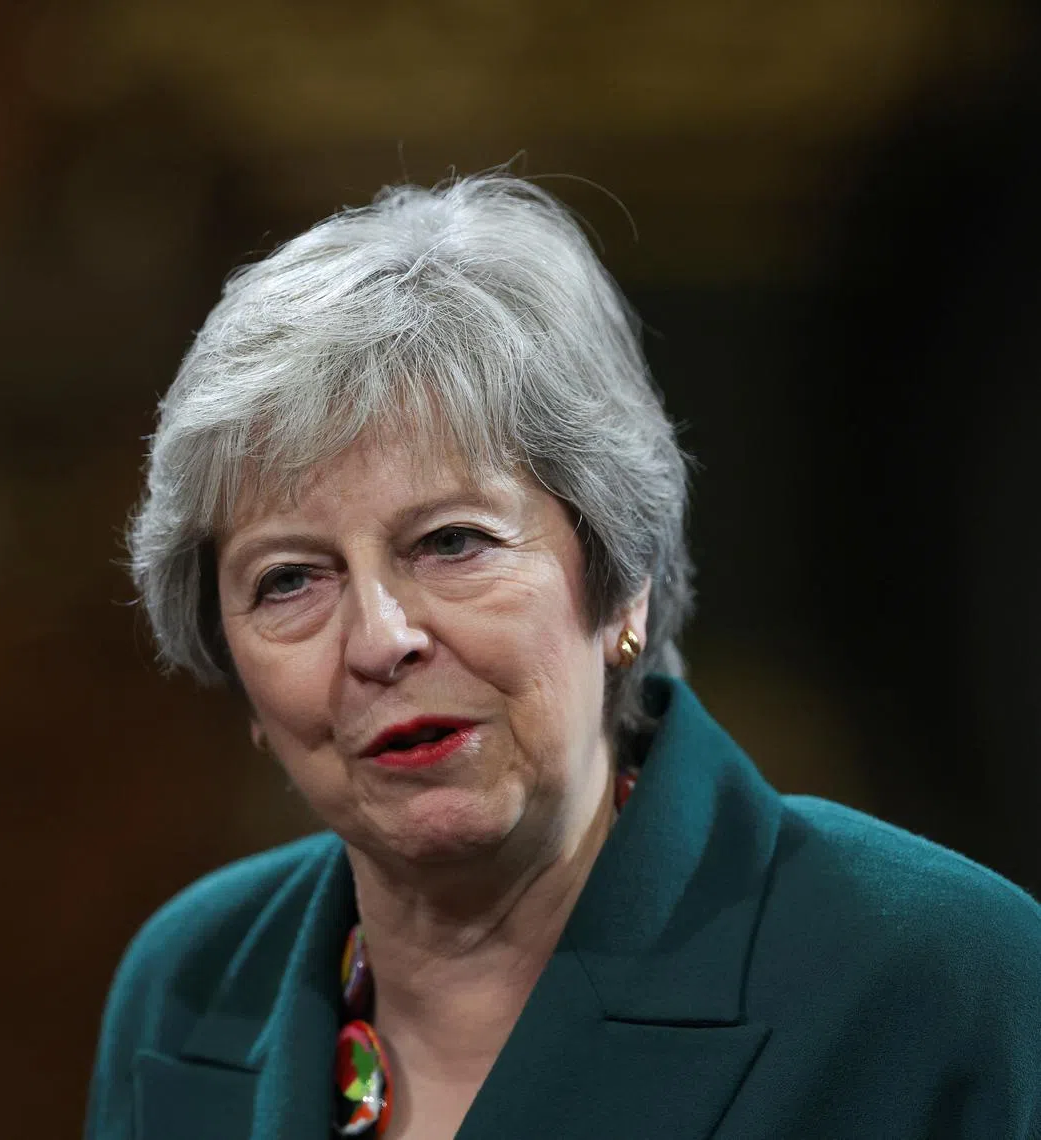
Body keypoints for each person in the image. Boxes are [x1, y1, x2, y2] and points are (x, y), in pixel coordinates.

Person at [85, 173, 1041, 1140]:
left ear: (620, 579)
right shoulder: (187, 986)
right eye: (289, 580)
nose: (379, 641)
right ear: (238, 675)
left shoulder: (942, 983)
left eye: (451, 543)